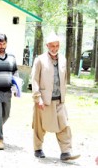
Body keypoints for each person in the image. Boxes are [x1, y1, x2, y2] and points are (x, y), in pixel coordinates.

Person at [32, 32, 80, 161]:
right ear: (47, 45)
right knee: (40, 126)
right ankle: (38, 149)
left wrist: (63, 97)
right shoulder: (40, 60)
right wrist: (38, 98)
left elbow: (63, 79)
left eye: (57, 45)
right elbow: (34, 80)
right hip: (43, 100)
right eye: (52, 46)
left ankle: (66, 152)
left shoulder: (63, 59)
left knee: (64, 125)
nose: (54, 48)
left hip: (59, 100)